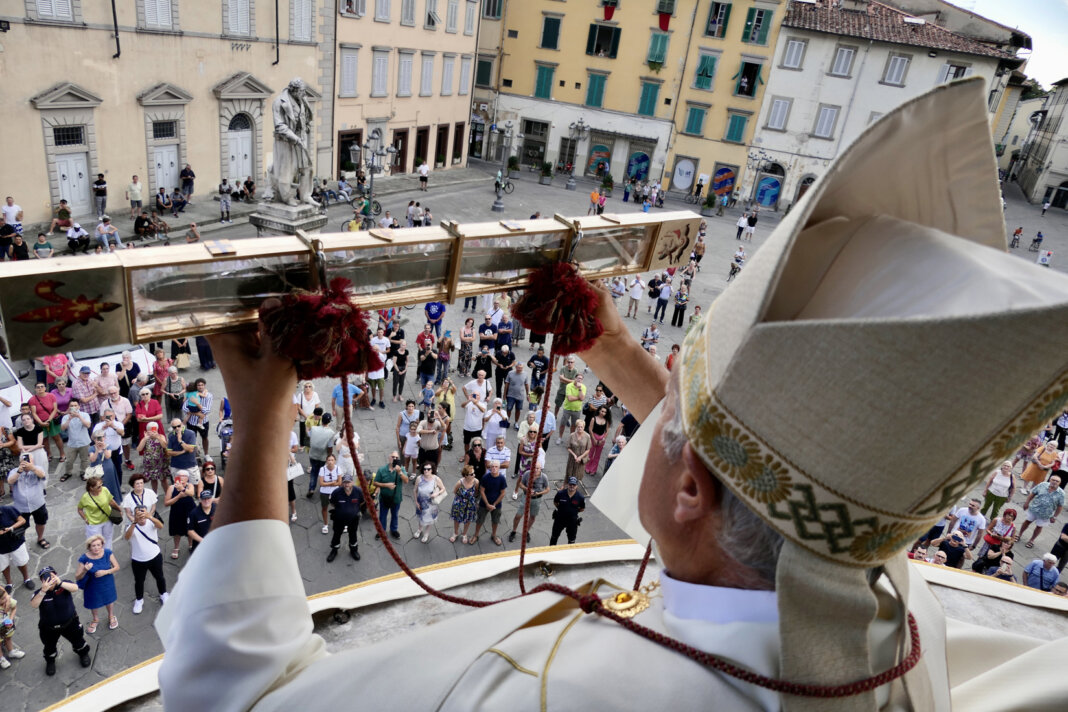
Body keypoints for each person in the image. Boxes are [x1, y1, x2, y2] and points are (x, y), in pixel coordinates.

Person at [153, 83, 1068, 710]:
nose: (665, 410)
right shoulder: (899, 619)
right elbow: (749, 492)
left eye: (678, 418)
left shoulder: (555, 692)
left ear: (690, 493)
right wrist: (613, 348)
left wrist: (261, 406)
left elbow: (238, 692)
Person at [32, 566, 91, 676]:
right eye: (45, 578)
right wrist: (43, 590)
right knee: (49, 647)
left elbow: (75, 588)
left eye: (51, 575)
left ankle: (83, 654)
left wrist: (60, 583)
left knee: (78, 640)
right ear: (41, 581)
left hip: (70, 623)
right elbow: (34, 604)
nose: (50, 579)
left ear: (56, 575)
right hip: (49, 628)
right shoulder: (39, 593)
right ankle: (50, 662)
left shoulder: (64, 585)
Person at [123, 505, 168, 614]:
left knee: (159, 577)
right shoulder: (130, 527)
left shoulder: (151, 521)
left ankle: (163, 594)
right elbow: (127, 537)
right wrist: (134, 522)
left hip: (155, 556)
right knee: (139, 581)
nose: (141, 517)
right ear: (134, 515)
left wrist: (150, 517)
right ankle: (139, 600)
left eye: (143, 513)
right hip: (138, 560)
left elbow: (161, 526)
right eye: (138, 514)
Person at [74, 534, 120, 633]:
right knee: (93, 602)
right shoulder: (84, 558)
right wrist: (85, 570)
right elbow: (77, 576)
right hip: (92, 585)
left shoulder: (107, 553)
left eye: (98, 545)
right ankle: (95, 619)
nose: (96, 547)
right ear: (89, 547)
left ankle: (111, 616)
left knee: (109, 599)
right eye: (93, 545)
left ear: (102, 545)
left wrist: (105, 572)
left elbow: (116, 567)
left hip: (107, 582)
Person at [8, 455, 49, 550]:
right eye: (24, 461)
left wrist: (33, 468)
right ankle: (21, 542)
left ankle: (40, 538)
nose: (26, 463)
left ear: (32, 461)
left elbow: (42, 475)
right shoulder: (14, 471)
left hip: (38, 504)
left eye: (28, 460)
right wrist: (19, 471)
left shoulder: (37, 468)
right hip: (21, 507)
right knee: (21, 527)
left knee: (41, 522)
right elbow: (10, 481)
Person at [1017, 474, 1064, 548]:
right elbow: (1032, 493)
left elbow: (1060, 506)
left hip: (1046, 514)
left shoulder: (1061, 493)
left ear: (1059, 483)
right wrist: (1027, 503)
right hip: (1034, 509)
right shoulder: (1042, 485)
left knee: (1039, 526)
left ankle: (1031, 540)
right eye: (1053, 480)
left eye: (1057, 481)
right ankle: (1019, 534)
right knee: (1027, 522)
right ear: (1050, 480)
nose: (1054, 482)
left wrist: (1054, 517)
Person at [508, 463, 549, 544]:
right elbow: (520, 484)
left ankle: (526, 532)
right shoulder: (527, 474)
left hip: (537, 499)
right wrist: (527, 489)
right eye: (534, 468)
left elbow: (547, 489)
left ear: (541, 469)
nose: (536, 470)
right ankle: (514, 531)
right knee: (518, 516)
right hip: (526, 497)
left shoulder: (544, 477)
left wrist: (539, 493)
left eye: (538, 468)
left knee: (532, 517)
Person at [327, 474, 363, 562]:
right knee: (336, 534)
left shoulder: (358, 491)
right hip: (339, 519)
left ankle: (354, 550)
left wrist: (353, 510)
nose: (347, 484)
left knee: (353, 534)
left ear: (352, 482)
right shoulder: (336, 492)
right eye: (345, 482)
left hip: (353, 519)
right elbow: (332, 503)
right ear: (342, 483)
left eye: (348, 482)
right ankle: (334, 550)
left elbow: (362, 502)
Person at [77, 475, 121, 544]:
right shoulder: (85, 497)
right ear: (91, 488)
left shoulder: (104, 490)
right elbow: (80, 509)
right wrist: (85, 519)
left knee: (108, 539)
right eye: (98, 487)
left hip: (107, 520)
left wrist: (119, 510)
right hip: (94, 524)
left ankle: (108, 554)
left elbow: (111, 502)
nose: (101, 487)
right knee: (96, 543)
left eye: (101, 485)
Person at [472, 460, 507, 546]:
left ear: (499, 468)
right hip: (484, 503)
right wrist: (487, 504)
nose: (494, 468)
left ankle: (494, 535)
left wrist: (494, 504)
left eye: (496, 467)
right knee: (479, 520)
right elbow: (482, 491)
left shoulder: (502, 478)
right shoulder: (485, 477)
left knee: (495, 521)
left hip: (497, 504)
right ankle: (476, 535)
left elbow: (503, 493)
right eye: (492, 466)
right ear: (490, 467)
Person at [373, 453, 408, 539]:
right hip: (384, 498)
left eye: (397, 457)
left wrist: (399, 472)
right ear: (389, 458)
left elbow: (406, 481)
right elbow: (375, 482)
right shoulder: (382, 470)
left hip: (396, 498)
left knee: (395, 515)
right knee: (382, 515)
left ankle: (394, 530)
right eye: (393, 457)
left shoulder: (401, 469)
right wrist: (386, 485)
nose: (394, 458)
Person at [164, 470, 197, 559]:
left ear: (187, 478)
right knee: (176, 530)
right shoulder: (171, 487)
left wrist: (182, 489)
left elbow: (191, 493)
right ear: (176, 478)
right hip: (176, 511)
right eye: (180, 476)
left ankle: (190, 545)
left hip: (189, 510)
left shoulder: (190, 485)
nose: (182, 477)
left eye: (184, 476)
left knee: (190, 529)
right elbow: (166, 503)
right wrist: (178, 496)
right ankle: (176, 548)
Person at [0, 504, 32, 592]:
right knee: (3, 566)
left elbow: (22, 520)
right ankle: (9, 583)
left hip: (16, 542)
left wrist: (10, 528)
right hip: (0, 548)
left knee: (21, 562)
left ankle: (26, 579)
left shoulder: (7, 509)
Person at [413, 464, 446, 542]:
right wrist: (416, 501)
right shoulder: (419, 478)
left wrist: (436, 494)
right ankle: (419, 529)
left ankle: (426, 533)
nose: (426, 471)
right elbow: (415, 490)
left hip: (431, 504)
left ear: (432, 470)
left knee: (430, 519)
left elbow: (443, 488)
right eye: (424, 469)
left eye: (428, 469)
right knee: (421, 517)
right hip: (421, 502)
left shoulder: (436, 479)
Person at [550, 476, 585, 545]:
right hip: (559, 519)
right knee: (554, 537)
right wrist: (562, 509)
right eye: (570, 484)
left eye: (574, 485)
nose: (572, 486)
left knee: (571, 541)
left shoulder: (580, 497)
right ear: (567, 485)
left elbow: (582, 508)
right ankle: (551, 552)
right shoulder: (560, 493)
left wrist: (573, 511)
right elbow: (555, 502)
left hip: (572, 521)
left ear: (576, 486)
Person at [449, 466, 480, 544]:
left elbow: (476, 492)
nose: (474, 475)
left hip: (470, 504)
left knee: (468, 520)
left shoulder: (476, 482)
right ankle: (455, 533)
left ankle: (464, 534)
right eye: (471, 474)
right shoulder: (460, 482)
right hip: (459, 503)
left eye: (474, 473)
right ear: (466, 475)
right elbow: (455, 491)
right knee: (456, 519)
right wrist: (461, 499)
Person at [0, 585, 27, 667]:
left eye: (6, 597)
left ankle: (11, 651)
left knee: (8, 638)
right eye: (3, 599)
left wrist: (11, 619)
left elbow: (14, 608)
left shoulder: (7, 600)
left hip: (7, 624)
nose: (6, 599)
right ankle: (1, 659)